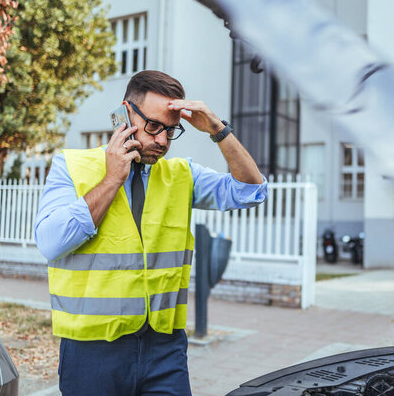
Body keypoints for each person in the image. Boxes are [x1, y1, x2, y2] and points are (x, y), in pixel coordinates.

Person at [34, 70, 267, 396]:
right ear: (125, 114)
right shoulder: (72, 165)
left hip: (165, 349)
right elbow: (50, 242)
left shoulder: (182, 174)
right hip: (92, 349)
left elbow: (251, 191)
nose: (161, 140)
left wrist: (218, 129)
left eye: (171, 131)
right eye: (153, 126)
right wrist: (112, 179)